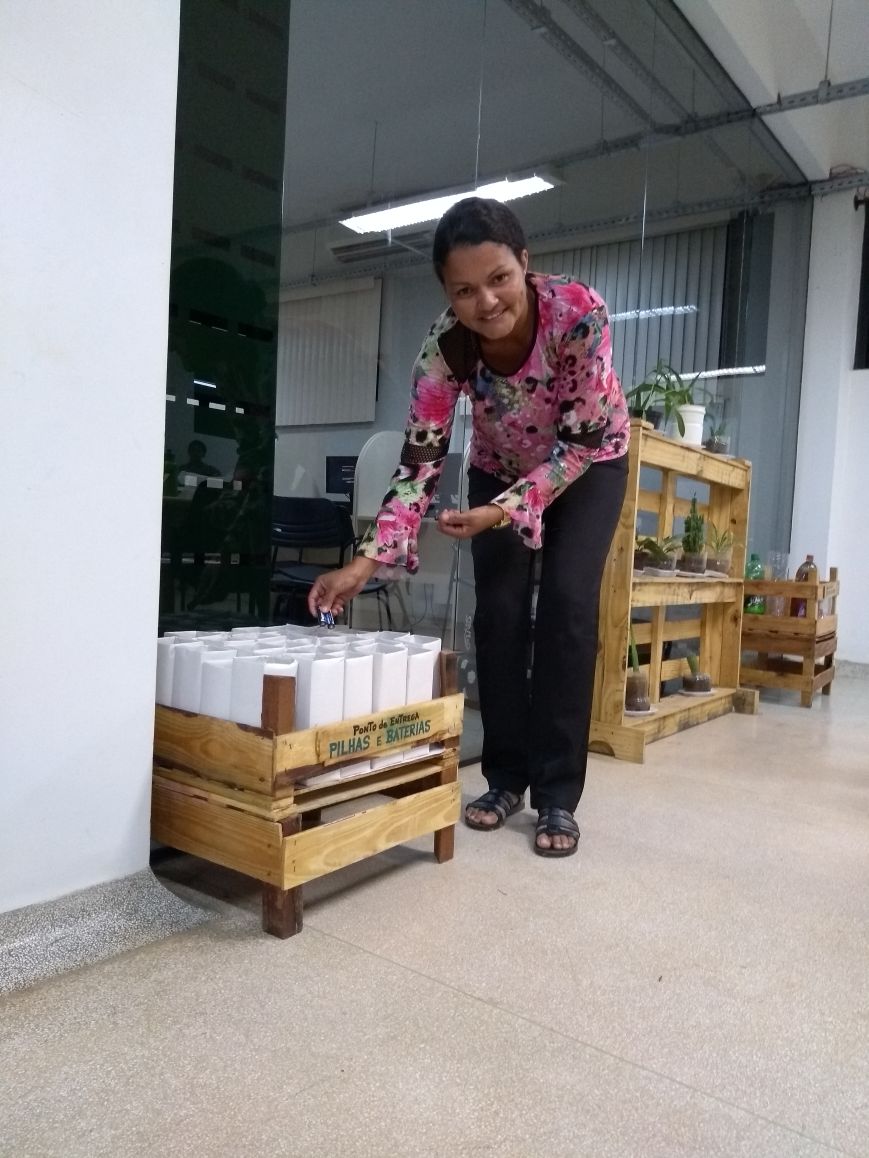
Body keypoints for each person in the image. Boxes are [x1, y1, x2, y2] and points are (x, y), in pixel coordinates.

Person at [307, 197, 629, 858]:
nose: (485, 301)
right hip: (497, 468)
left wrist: (503, 511)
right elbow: (418, 463)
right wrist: (362, 565)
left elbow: (577, 446)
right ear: (446, 294)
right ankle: (505, 778)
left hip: (588, 463)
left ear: (524, 264)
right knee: (499, 615)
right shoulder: (444, 349)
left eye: (499, 278)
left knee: (567, 607)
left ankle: (558, 793)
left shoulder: (577, 314)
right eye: (463, 290)